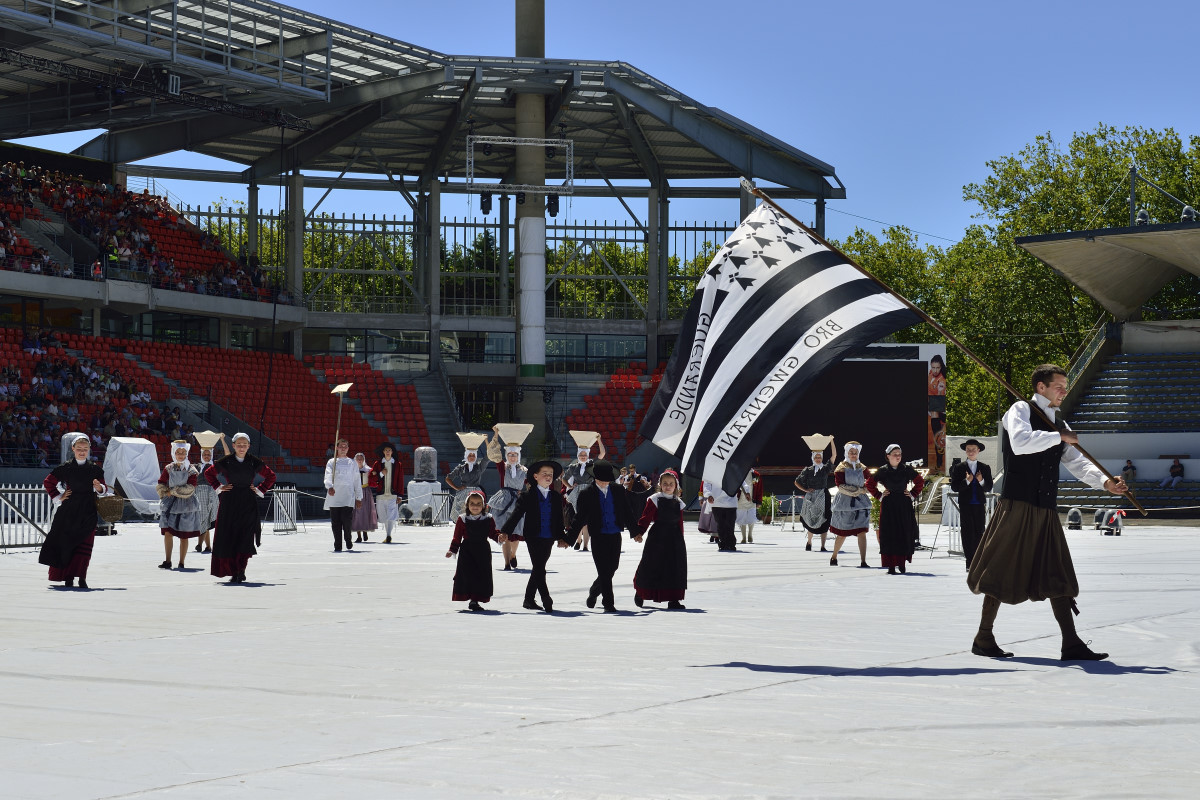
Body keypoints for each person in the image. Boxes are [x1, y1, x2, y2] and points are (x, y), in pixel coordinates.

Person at [968, 364, 1128, 661]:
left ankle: (1071, 642)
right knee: (1001, 568)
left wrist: (1107, 483)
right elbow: (1021, 442)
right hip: (1017, 505)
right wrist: (1059, 436)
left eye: (1065, 386)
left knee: (1058, 571)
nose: (1064, 392)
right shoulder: (1020, 410)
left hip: (1045, 509)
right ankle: (984, 637)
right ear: (1041, 387)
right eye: (1059, 386)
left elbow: (1077, 462)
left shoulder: (1057, 421)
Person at [204, 432, 276, 584]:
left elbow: (271, 476)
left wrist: (259, 489)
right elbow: (209, 473)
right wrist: (219, 487)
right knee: (229, 536)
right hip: (229, 502)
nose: (242, 447)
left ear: (249, 446)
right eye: (239, 444)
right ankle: (233, 571)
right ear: (234, 445)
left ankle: (241, 570)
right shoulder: (227, 461)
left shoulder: (253, 461)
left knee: (245, 536)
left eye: (245, 445)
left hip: (248, 502)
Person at [38, 435, 107, 590]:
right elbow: (48, 482)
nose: (82, 452)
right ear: (73, 449)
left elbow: (103, 488)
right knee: (67, 544)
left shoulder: (95, 469)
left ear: (89, 449)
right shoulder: (66, 467)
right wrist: (58, 496)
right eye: (79, 449)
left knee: (85, 545)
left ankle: (82, 578)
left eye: (85, 449)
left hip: (88, 511)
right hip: (68, 511)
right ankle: (68, 577)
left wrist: (99, 488)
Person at [501, 459, 570, 612]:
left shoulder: (556, 496)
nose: (548, 476)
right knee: (540, 567)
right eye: (544, 473)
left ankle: (528, 599)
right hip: (533, 536)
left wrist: (561, 537)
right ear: (536, 476)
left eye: (551, 474)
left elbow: (559, 520)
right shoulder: (527, 495)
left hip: (549, 537)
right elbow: (516, 514)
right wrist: (505, 531)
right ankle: (546, 597)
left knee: (539, 567)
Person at [571, 460, 637, 611]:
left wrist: (635, 532)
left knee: (613, 567)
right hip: (598, 536)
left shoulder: (618, 490)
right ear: (594, 478)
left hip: (615, 534)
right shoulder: (586, 493)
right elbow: (579, 518)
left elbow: (627, 512)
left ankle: (594, 591)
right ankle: (608, 603)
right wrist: (568, 538)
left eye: (607, 479)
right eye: (600, 479)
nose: (603, 482)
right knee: (603, 570)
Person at [632, 470, 688, 610]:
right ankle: (641, 592)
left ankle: (673, 599)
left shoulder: (678, 502)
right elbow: (646, 518)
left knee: (674, 568)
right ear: (660, 485)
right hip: (658, 538)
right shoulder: (655, 499)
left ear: (676, 485)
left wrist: (681, 539)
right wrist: (640, 532)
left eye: (671, 484)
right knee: (650, 565)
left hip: (675, 540)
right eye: (665, 484)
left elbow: (680, 522)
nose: (668, 486)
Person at [867, 444, 925, 575]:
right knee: (889, 533)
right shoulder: (883, 470)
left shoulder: (906, 469)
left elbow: (920, 481)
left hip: (903, 504)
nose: (898, 456)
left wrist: (912, 494)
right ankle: (891, 565)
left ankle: (902, 563)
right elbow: (869, 484)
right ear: (888, 456)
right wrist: (879, 496)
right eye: (895, 454)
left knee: (903, 532)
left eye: (899, 454)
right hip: (888, 504)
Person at [445, 490, 506, 611]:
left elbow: (493, 533)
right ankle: (468, 596)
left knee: (481, 575)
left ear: (483, 506)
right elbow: (457, 537)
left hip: (483, 551)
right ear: (467, 505)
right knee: (468, 575)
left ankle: (475, 600)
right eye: (472, 503)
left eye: (478, 504)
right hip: (467, 551)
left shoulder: (488, 518)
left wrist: (499, 537)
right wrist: (452, 550)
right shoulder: (462, 519)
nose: (475, 506)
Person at [157, 440, 204, 570]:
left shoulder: (191, 469)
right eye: (178, 453)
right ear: (174, 453)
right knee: (168, 532)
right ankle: (167, 560)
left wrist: (172, 491)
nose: (181, 455)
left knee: (184, 534)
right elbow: (161, 483)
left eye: (183, 453)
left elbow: (191, 487)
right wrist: (164, 491)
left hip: (186, 504)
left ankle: (181, 562)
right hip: (170, 504)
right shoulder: (169, 468)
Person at [948, 439, 993, 569]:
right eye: (968, 449)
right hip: (966, 504)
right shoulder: (959, 467)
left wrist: (981, 480)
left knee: (979, 531)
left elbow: (988, 487)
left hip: (979, 504)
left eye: (973, 449)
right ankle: (969, 561)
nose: (971, 452)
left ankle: (978, 561)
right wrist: (967, 481)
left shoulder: (984, 467)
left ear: (978, 451)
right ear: (965, 451)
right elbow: (955, 487)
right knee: (967, 532)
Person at [829, 441, 872, 568]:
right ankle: (834, 556)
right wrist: (856, 491)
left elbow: (870, 483)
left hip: (861, 503)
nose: (853, 455)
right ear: (847, 453)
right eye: (851, 452)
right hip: (845, 503)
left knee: (862, 532)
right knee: (842, 533)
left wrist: (862, 490)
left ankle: (863, 561)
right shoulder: (841, 467)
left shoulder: (863, 468)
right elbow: (840, 486)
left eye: (855, 452)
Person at [490, 439, 528, 571]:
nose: (512, 457)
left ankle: (513, 555)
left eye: (515, 454)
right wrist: (494, 435)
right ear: (507, 456)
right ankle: (506, 563)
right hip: (503, 499)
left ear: (518, 456)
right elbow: (494, 454)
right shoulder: (502, 467)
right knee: (503, 532)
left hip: (517, 500)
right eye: (510, 454)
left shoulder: (524, 470)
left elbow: (531, 485)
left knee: (516, 532)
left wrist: (523, 492)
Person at [564, 433, 606, 550]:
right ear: (578, 455)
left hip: (589, 492)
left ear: (587, 455)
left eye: (585, 454)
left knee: (587, 520)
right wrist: (570, 486)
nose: (583, 456)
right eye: (581, 454)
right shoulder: (573, 467)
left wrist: (599, 440)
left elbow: (602, 454)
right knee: (578, 518)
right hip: (577, 493)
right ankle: (578, 540)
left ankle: (585, 545)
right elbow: (564, 479)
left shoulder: (592, 465)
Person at [795, 436, 836, 552]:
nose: (818, 459)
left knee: (825, 520)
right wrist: (806, 490)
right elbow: (796, 482)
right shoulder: (807, 470)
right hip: (811, 497)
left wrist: (831, 441)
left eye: (820, 457)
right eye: (816, 457)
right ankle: (809, 542)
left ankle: (823, 546)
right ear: (813, 457)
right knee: (810, 520)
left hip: (824, 495)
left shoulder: (825, 469)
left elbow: (834, 456)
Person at [323, 439, 362, 552]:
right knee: (335, 522)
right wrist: (329, 486)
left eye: (345, 446)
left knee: (347, 520)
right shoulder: (331, 462)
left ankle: (348, 539)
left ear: (348, 449)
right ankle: (338, 544)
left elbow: (356, 480)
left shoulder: (352, 463)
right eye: (341, 446)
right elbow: (328, 475)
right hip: (334, 494)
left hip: (348, 495)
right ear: (337, 448)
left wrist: (358, 497)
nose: (343, 448)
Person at [193, 435, 230, 554]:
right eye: (204, 454)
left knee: (204, 519)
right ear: (201, 455)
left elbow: (228, 456)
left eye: (209, 454)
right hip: (198, 494)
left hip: (211, 493)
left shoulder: (215, 466)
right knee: (204, 520)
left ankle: (199, 544)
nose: (206, 456)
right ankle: (208, 547)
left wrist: (222, 440)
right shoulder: (196, 467)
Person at [370, 442, 403, 543]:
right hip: (381, 494)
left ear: (392, 452)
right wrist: (380, 473)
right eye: (386, 450)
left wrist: (400, 495)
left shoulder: (398, 464)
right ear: (383, 452)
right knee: (383, 515)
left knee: (391, 515)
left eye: (389, 450)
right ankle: (388, 534)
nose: (388, 452)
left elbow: (400, 480)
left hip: (393, 494)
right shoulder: (378, 464)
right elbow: (372, 477)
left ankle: (388, 535)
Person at [703, 476, 742, 552]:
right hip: (716, 502)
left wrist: (746, 491)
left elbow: (741, 478)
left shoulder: (732, 467)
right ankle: (723, 543)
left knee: (730, 525)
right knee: (721, 525)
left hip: (731, 501)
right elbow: (706, 483)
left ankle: (730, 544)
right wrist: (708, 495)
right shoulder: (712, 469)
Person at [351, 452, 378, 543]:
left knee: (366, 511)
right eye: (357, 458)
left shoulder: (368, 470)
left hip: (366, 491)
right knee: (357, 513)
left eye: (361, 458)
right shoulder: (352, 470)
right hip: (356, 492)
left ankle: (365, 530)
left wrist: (374, 474)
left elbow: (374, 479)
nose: (359, 460)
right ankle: (358, 534)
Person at [736, 468, 759, 544]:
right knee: (741, 517)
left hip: (752, 499)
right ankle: (744, 537)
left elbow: (759, 488)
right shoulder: (738, 473)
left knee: (752, 517)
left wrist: (759, 501)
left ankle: (750, 534)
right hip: (740, 499)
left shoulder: (756, 475)